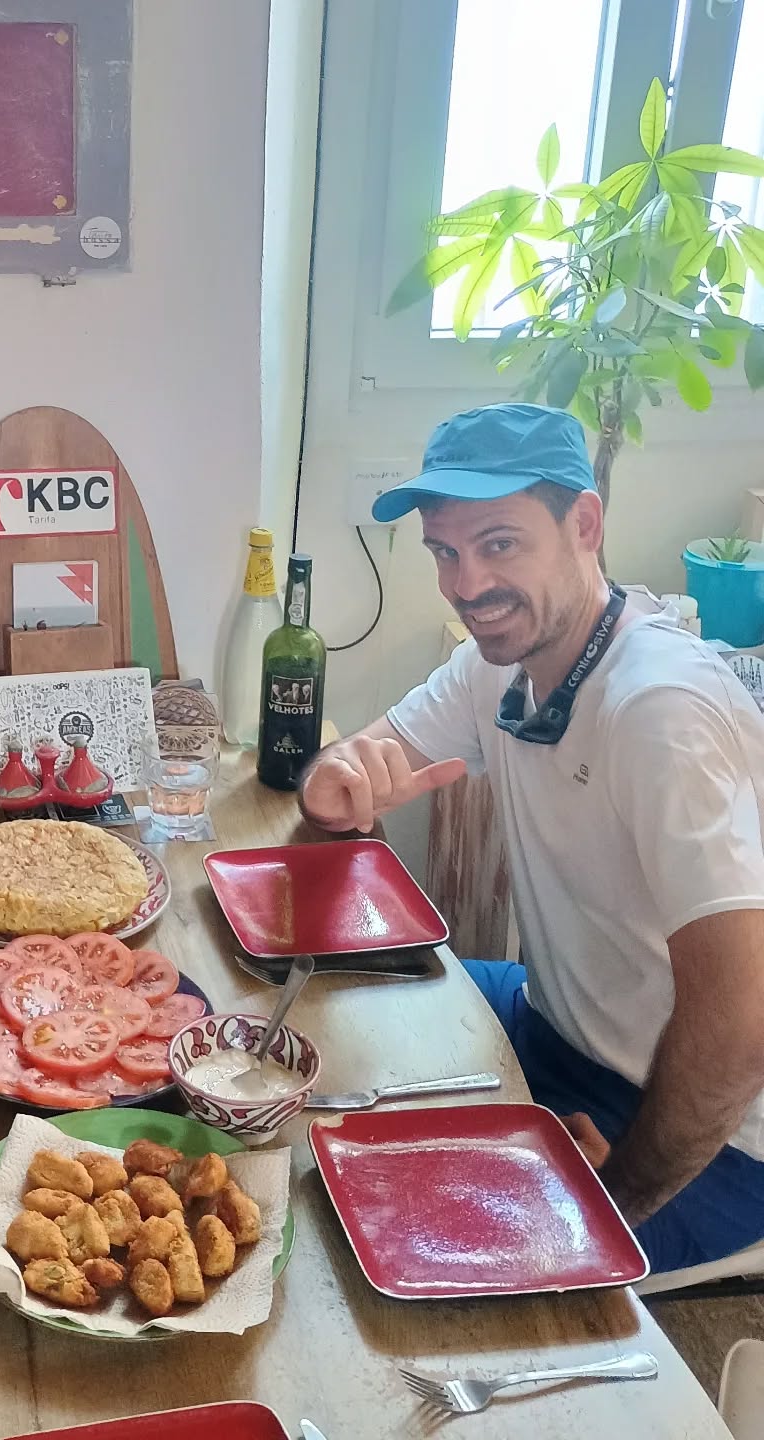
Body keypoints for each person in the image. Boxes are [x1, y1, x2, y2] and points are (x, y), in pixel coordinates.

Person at [299, 402, 764, 1272]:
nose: (467, 584)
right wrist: (336, 783)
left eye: (500, 543)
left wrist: (611, 1197)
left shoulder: (658, 709)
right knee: (314, 1029)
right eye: (445, 551)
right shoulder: (496, 666)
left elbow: (741, 1026)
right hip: (550, 1020)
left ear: (585, 524)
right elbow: (363, 760)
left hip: (707, 1130)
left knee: (434, 1256)